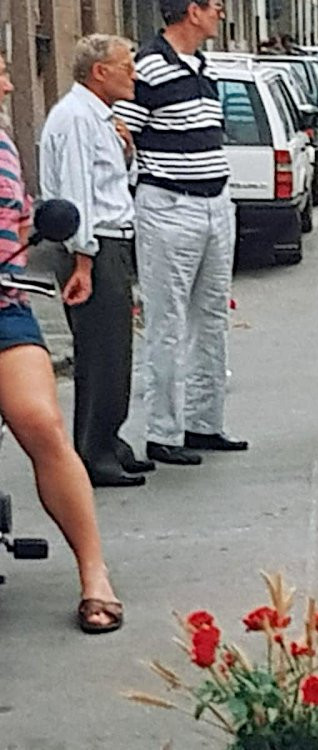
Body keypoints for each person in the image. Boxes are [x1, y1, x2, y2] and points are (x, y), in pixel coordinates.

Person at [0, 50, 123, 633]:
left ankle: (94, 572)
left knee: (41, 422)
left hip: (4, 307)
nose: (7, 81)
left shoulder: (4, 147)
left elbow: (25, 223)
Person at [115, 0, 248, 465]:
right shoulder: (149, 66)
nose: (221, 14)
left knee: (212, 316)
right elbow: (123, 136)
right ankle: (163, 432)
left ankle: (204, 422)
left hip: (215, 203)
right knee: (167, 321)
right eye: (215, 6)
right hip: (169, 204)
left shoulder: (204, 68)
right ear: (192, 11)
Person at [39, 34, 154, 488]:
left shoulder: (102, 117)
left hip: (111, 241)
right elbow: (76, 192)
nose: (134, 74)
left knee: (116, 348)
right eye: (126, 66)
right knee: (102, 351)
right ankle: (94, 448)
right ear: (99, 71)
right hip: (93, 245)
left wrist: (127, 151)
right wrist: (83, 260)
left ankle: (110, 436)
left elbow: (114, 182)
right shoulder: (75, 118)